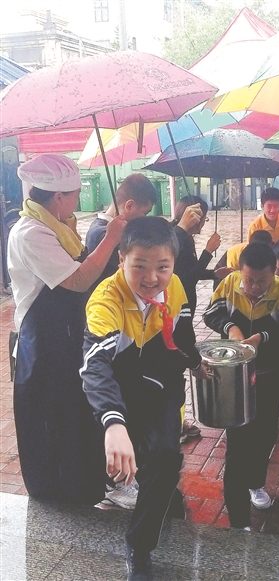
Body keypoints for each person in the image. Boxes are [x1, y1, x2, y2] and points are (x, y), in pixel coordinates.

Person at [80, 216, 208, 581]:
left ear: (173, 263)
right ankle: (151, 493)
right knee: (131, 458)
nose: (152, 278)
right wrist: (113, 422)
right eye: (140, 266)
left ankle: (140, 546)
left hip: (163, 384)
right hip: (122, 389)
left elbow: (182, 331)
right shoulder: (106, 301)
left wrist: (195, 362)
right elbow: (94, 366)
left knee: (166, 457)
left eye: (162, 267)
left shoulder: (176, 286)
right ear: (122, 259)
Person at [7, 153, 127, 504]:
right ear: (58, 196)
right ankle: (59, 492)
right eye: (74, 194)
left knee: (76, 411)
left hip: (67, 335)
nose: (77, 200)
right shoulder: (31, 233)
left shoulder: (58, 226)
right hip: (42, 344)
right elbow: (77, 280)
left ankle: (87, 484)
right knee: (53, 417)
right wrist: (111, 238)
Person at [204, 243, 279, 529]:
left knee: (264, 436)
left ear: (274, 273)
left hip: (268, 376)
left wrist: (262, 337)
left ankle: (256, 484)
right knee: (237, 444)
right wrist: (230, 328)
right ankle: (238, 521)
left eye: (262, 280)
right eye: (248, 279)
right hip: (235, 378)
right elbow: (210, 314)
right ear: (241, 271)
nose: (254, 287)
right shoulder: (229, 284)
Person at [85, 173, 158, 291]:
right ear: (129, 206)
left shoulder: (101, 228)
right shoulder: (104, 235)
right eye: (145, 213)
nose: (144, 218)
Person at [171, 195, 230, 316]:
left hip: (189, 302)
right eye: (204, 219)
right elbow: (188, 280)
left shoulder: (187, 237)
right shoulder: (173, 239)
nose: (203, 223)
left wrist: (214, 274)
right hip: (177, 305)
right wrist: (208, 251)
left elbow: (193, 270)